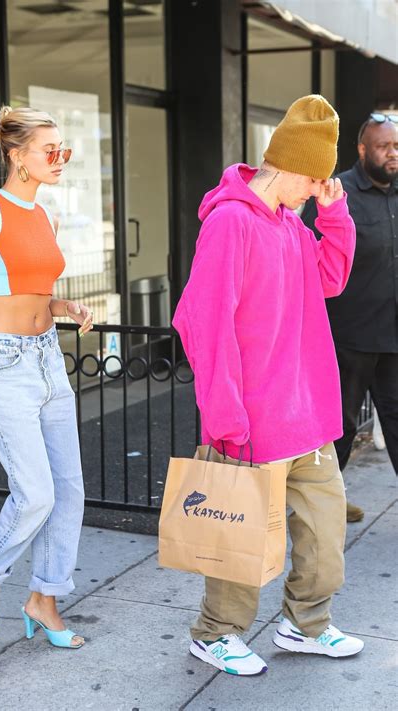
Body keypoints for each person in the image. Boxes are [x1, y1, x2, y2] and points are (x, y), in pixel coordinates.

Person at [173, 95, 364, 676]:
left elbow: (331, 278)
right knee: (241, 540)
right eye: (314, 179)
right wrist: (226, 415)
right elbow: (201, 321)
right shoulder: (231, 221)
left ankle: (305, 624)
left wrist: (333, 215)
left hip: (309, 416)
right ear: (286, 165)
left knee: (324, 539)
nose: (317, 189)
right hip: (252, 419)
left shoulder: (290, 225)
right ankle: (215, 634)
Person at [0, 106, 92, 648]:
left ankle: (44, 599)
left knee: (69, 490)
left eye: (64, 151)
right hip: (0, 364)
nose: (60, 161)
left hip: (49, 356)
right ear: (16, 156)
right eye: (50, 151)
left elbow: (30, 290)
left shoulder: (44, 215)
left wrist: (62, 304)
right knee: (34, 494)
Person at [301, 113, 398, 522]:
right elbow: (308, 259)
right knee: (336, 431)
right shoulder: (336, 193)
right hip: (348, 339)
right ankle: (322, 509)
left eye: (396, 146)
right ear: (362, 150)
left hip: (394, 341)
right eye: (383, 146)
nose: (392, 154)